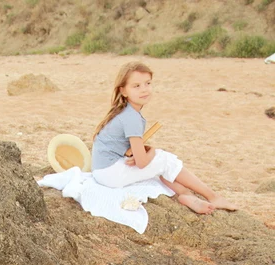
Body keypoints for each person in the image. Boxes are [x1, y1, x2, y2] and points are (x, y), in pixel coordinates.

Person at [92, 61, 236, 214]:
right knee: (164, 160)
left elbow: (128, 149)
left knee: (158, 165)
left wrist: (145, 152)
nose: (144, 90)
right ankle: (213, 196)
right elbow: (141, 163)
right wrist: (152, 151)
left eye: (147, 83)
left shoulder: (126, 112)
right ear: (124, 91)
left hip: (103, 171)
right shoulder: (131, 117)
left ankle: (186, 195)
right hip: (109, 174)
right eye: (136, 86)